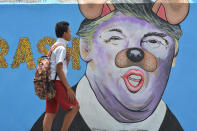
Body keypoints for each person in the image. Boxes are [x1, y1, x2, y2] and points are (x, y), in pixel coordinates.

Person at [32, 0, 189, 131]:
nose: (135, 53)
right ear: (86, 48)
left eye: (154, 41)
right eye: (115, 38)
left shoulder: (171, 126)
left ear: (173, 54)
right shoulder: (58, 121)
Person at [42, 21, 79, 131]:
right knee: (75, 107)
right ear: (64, 33)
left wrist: (67, 61)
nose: (71, 34)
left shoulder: (54, 46)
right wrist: (68, 88)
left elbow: (58, 68)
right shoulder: (62, 48)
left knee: (50, 112)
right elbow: (59, 70)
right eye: (69, 31)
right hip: (57, 84)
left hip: (50, 83)